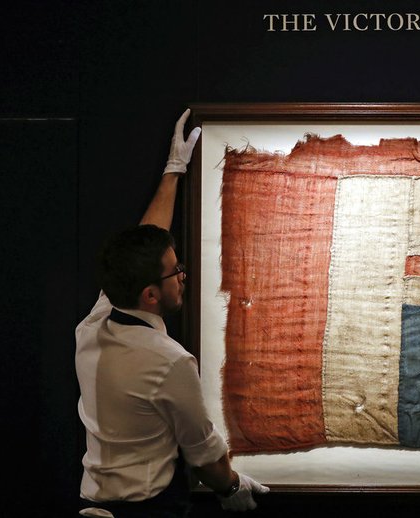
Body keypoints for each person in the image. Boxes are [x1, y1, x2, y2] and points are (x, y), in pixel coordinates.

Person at [75, 109, 268, 517]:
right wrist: (232, 488)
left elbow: (143, 247)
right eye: (176, 271)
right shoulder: (170, 361)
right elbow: (205, 457)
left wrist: (173, 169)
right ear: (149, 294)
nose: (184, 276)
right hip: (148, 510)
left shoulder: (94, 323)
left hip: (94, 503)